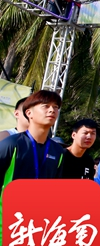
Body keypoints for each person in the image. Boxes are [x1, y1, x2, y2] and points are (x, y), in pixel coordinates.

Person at [0, 90, 66, 223]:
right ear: (29, 113)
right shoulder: (11, 144)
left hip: (37, 224)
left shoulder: (58, 151)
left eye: (55, 107)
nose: (52, 110)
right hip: (6, 224)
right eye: (45, 106)